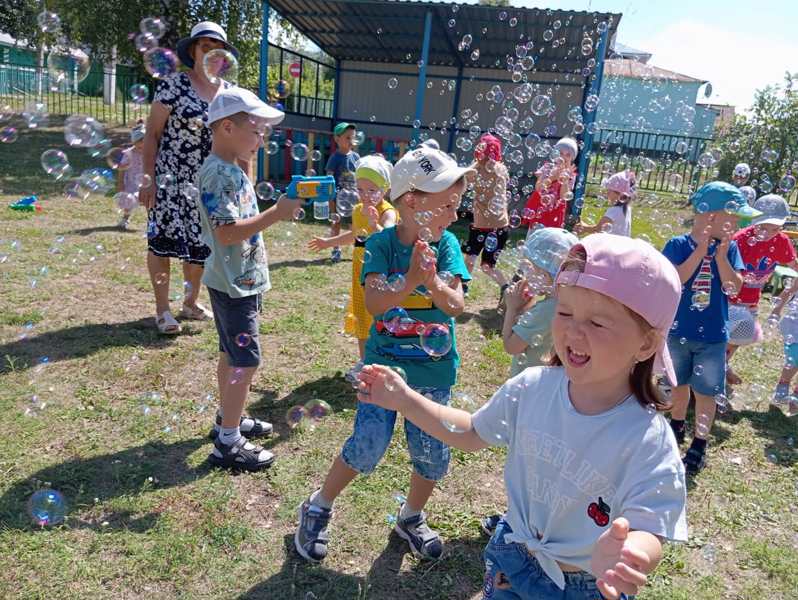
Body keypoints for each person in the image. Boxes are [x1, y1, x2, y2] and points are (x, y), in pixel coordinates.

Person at [356, 233, 688, 600]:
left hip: (588, 585)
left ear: (645, 344)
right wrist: (405, 400)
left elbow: (652, 522)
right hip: (512, 557)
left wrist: (634, 552)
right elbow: (469, 432)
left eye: (597, 322)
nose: (573, 330)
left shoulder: (647, 437)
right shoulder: (532, 387)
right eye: (564, 311)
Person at [294, 146, 474, 563]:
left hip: (433, 370)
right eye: (446, 205)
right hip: (384, 366)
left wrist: (433, 283)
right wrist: (411, 279)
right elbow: (375, 304)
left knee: (432, 453)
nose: (453, 215)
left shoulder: (447, 246)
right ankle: (318, 504)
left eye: (457, 206)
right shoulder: (379, 245)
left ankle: (411, 516)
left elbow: (455, 306)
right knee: (368, 444)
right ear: (412, 201)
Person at [196, 87, 300, 470]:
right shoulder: (218, 174)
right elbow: (226, 231)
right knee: (245, 360)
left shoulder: (230, 169)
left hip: (237, 279)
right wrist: (277, 213)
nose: (261, 140)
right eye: (255, 132)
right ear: (226, 127)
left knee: (230, 354)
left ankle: (229, 419)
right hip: (233, 284)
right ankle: (228, 443)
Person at [139, 21, 240, 335]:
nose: (211, 53)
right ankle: (162, 310)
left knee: (201, 246)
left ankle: (190, 303)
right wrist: (148, 178)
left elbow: (236, 141)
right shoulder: (174, 84)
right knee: (163, 244)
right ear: (193, 51)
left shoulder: (230, 94)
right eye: (204, 46)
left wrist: (238, 183)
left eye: (217, 49)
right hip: (170, 177)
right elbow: (152, 135)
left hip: (209, 182)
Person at [480, 227, 578, 537]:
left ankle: (518, 522)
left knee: (524, 466)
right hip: (554, 397)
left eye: (531, 269)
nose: (525, 273)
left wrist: (512, 309)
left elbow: (511, 344)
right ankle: (532, 519)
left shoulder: (545, 310)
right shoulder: (563, 305)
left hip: (532, 397)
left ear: (550, 274)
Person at [662, 182, 760, 474]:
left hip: (714, 335)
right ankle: (677, 426)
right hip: (679, 332)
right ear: (711, 216)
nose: (738, 223)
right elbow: (676, 279)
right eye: (734, 216)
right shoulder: (679, 245)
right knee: (678, 386)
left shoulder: (731, 250)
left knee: (706, 392)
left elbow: (734, 287)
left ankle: (699, 444)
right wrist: (700, 250)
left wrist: (719, 256)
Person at [308, 155, 397, 381]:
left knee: (377, 316)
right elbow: (356, 236)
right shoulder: (358, 210)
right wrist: (328, 242)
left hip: (379, 272)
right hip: (360, 271)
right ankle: (365, 362)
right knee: (360, 315)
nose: (365, 195)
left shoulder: (388, 212)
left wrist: (375, 222)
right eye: (361, 189)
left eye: (372, 190)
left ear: (385, 189)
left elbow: (387, 238)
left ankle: (381, 360)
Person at [725, 194, 798, 386]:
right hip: (730, 297)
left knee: (740, 336)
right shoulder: (740, 239)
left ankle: (723, 364)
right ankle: (716, 368)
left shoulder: (781, 241)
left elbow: (794, 264)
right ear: (755, 220)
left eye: (775, 228)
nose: (769, 233)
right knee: (722, 336)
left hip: (751, 299)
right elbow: (724, 266)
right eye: (764, 227)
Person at [462, 134, 511, 305]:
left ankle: (464, 287)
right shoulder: (501, 169)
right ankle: (506, 287)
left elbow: (464, 179)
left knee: (469, 259)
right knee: (486, 266)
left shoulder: (477, 169)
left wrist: (476, 161)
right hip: (500, 227)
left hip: (482, 227)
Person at [521, 137, 578, 232]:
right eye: (560, 153)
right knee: (535, 236)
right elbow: (538, 188)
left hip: (556, 212)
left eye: (568, 155)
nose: (563, 157)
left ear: (572, 159)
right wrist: (552, 178)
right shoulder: (547, 168)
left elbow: (564, 196)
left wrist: (566, 180)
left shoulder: (571, 174)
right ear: (555, 154)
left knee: (552, 238)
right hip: (540, 210)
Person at [325, 122, 361, 263]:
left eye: (352, 137)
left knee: (356, 225)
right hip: (337, 197)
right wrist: (330, 197)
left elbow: (360, 176)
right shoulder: (335, 158)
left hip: (353, 197)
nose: (351, 140)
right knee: (336, 223)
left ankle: (359, 251)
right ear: (337, 139)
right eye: (347, 137)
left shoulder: (356, 157)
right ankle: (335, 249)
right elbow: (329, 178)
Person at [574, 170, 636, 237]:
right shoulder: (627, 209)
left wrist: (583, 227)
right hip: (621, 244)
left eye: (609, 190)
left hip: (611, 245)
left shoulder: (614, 210)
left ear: (619, 194)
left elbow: (598, 229)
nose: (607, 193)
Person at [115, 121, 147, 230]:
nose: (142, 145)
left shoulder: (150, 153)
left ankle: (153, 222)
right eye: (139, 142)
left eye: (145, 142)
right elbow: (121, 169)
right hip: (131, 183)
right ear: (134, 142)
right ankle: (125, 219)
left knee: (149, 203)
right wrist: (120, 183)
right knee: (129, 202)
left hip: (146, 183)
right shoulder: (128, 153)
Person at [770, 293, 798, 415]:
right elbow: (789, 290)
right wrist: (776, 310)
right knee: (793, 360)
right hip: (795, 327)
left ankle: (795, 399)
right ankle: (782, 389)